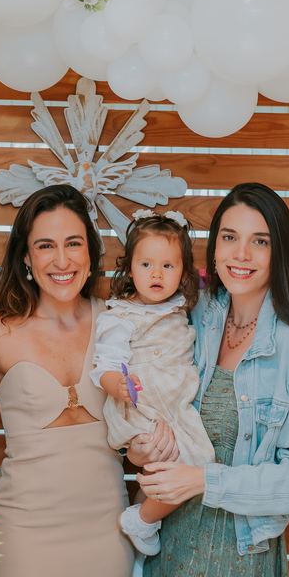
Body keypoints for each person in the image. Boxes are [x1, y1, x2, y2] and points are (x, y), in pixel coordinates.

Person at [127, 182, 289, 577]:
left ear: (279, 252)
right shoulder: (192, 317)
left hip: (239, 558)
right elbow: (151, 395)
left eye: (260, 240)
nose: (241, 253)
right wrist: (140, 445)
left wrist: (206, 481)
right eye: (229, 237)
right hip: (171, 548)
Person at [0, 184, 133, 577]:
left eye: (72, 243)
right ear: (25, 257)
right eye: (45, 246)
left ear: (91, 250)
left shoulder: (117, 323)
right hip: (26, 535)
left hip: (106, 531)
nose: (61, 260)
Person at [89, 209, 215, 558]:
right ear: (130, 268)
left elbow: (208, 281)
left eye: (168, 266)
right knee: (196, 463)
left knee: (188, 467)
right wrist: (118, 385)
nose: (156, 274)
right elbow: (105, 366)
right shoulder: (121, 317)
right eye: (146, 265)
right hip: (144, 405)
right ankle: (142, 520)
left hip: (174, 404)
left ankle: (144, 530)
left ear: (183, 273)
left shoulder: (181, 305)